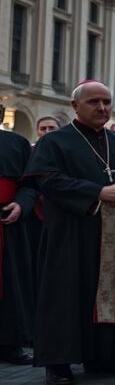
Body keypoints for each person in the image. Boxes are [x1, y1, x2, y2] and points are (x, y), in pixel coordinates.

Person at [25, 80, 115, 385]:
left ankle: (108, 356)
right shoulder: (55, 142)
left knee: (114, 293)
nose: (102, 107)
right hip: (73, 234)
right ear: (75, 106)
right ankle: (57, 363)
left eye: (106, 101)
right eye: (94, 101)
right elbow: (48, 180)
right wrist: (98, 192)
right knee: (66, 294)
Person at [0, 129, 37, 366]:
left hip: (8, 223)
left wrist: (21, 205)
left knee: (11, 285)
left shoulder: (16, 143)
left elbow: (31, 184)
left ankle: (9, 344)